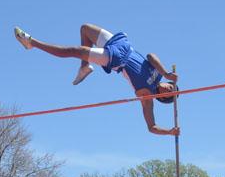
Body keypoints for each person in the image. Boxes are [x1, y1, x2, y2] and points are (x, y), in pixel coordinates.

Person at [14, 23, 180, 136]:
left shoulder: (148, 97)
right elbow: (150, 56)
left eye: (168, 94)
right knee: (85, 29)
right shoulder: (159, 72)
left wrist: (170, 132)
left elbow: (151, 127)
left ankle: (32, 43)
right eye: (170, 88)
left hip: (115, 59)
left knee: (75, 50)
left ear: (163, 98)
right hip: (122, 45)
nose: (167, 90)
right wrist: (165, 72)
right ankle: (84, 67)